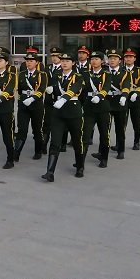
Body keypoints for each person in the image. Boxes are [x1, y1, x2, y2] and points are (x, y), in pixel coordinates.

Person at [42, 52, 84, 182]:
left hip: (73, 111)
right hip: (58, 113)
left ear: (73, 63)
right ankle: (50, 172)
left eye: (67, 61)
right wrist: (49, 91)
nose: (64, 63)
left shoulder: (78, 76)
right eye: (63, 61)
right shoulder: (56, 75)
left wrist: (64, 98)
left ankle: (80, 167)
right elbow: (52, 90)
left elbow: (75, 89)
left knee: (77, 141)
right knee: (55, 142)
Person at [14, 50, 48, 161]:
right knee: (22, 129)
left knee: (37, 129)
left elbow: (42, 89)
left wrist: (33, 98)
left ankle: (38, 151)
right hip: (23, 104)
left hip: (36, 105)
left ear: (37, 63)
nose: (29, 63)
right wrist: (22, 99)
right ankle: (16, 153)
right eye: (27, 61)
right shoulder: (21, 74)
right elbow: (19, 89)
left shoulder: (41, 75)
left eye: (31, 61)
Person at [82, 51, 112, 169]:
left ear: (102, 61)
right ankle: (81, 161)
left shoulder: (106, 74)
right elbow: (82, 88)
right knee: (85, 135)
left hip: (103, 107)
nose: (94, 61)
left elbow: (106, 87)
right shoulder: (86, 74)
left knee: (104, 135)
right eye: (92, 59)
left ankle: (104, 158)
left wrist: (99, 96)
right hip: (89, 108)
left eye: (97, 59)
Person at [105, 49, 130, 159]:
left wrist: (124, 96)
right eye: (110, 58)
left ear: (120, 61)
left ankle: (121, 149)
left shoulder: (124, 73)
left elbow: (126, 85)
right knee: (105, 128)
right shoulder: (104, 71)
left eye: (115, 59)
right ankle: (103, 150)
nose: (112, 60)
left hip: (119, 102)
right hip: (106, 101)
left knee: (120, 128)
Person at [123, 48, 140, 151]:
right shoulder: (121, 70)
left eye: (131, 57)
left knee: (136, 121)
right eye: (127, 57)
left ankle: (137, 142)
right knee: (122, 122)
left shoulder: (139, 70)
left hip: (135, 97)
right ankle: (120, 143)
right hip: (123, 97)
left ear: (134, 59)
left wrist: (136, 93)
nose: (128, 59)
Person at [42, 47, 62, 152]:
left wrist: (54, 88)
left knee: (60, 123)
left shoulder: (64, 68)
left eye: (57, 56)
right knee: (47, 122)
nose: (54, 58)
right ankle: (44, 144)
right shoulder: (47, 68)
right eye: (53, 56)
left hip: (60, 99)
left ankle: (60, 144)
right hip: (49, 99)